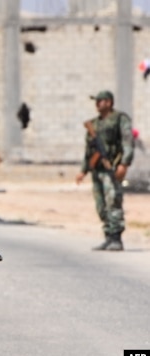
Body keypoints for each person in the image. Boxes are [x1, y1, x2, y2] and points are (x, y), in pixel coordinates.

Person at [76, 90, 135, 251]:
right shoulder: (93, 124)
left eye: (100, 101)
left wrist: (124, 163)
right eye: (96, 101)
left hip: (112, 168)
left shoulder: (119, 119)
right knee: (101, 205)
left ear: (109, 102)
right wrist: (83, 170)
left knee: (113, 201)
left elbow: (128, 142)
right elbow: (89, 150)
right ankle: (108, 236)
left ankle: (116, 238)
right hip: (97, 170)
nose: (97, 104)